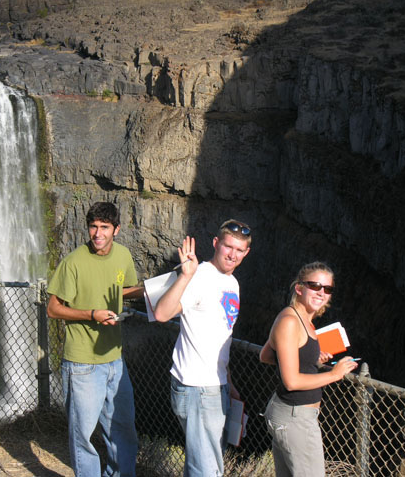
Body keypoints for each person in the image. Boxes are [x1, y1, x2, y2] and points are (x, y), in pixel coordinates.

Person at [46, 201, 144, 477]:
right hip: (82, 365)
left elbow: (124, 290)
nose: (97, 234)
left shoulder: (123, 255)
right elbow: (53, 308)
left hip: (115, 359)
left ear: (117, 229)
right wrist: (92, 314)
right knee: (84, 437)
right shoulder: (74, 262)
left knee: (123, 429)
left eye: (104, 227)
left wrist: (155, 288)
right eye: (93, 227)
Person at [154, 219, 252, 477]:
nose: (232, 254)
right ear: (216, 243)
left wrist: (228, 382)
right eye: (228, 246)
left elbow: (220, 337)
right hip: (197, 388)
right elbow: (162, 313)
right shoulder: (200, 277)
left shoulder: (232, 283)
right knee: (207, 470)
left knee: (200, 463)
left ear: (246, 253)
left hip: (214, 385)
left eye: (239, 250)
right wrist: (186, 276)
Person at [259, 262, 358, 477]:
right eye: (315, 286)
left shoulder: (303, 319)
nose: (321, 293)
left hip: (293, 415)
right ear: (299, 288)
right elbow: (291, 381)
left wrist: (307, 358)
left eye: (327, 289)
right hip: (295, 418)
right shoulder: (290, 321)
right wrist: (334, 374)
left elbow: (267, 354)